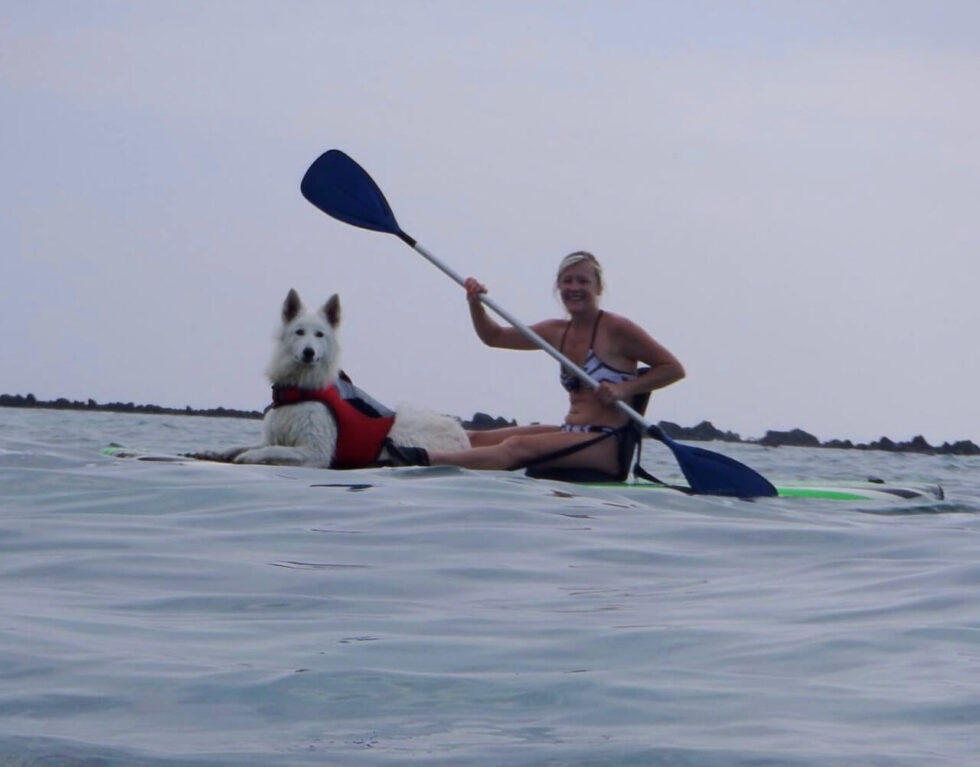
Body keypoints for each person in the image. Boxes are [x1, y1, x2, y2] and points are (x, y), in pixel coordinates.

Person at [390, 251, 685, 477]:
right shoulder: (556, 331)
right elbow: (494, 337)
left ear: (598, 287)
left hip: (605, 445)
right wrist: (475, 303)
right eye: (567, 281)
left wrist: (626, 389)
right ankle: (395, 449)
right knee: (474, 437)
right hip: (570, 433)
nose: (574, 288)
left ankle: (413, 461)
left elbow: (673, 368)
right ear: (558, 287)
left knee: (517, 448)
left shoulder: (618, 329)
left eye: (583, 281)